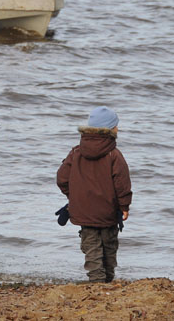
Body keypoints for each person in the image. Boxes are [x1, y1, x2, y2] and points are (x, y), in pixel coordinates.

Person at [56, 106, 132, 283]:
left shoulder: (76, 152)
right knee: (109, 246)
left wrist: (74, 197)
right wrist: (124, 206)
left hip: (83, 211)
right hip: (108, 211)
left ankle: (96, 281)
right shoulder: (114, 154)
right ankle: (107, 280)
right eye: (116, 126)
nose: (118, 129)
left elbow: (61, 178)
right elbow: (122, 184)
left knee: (91, 247)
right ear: (110, 130)